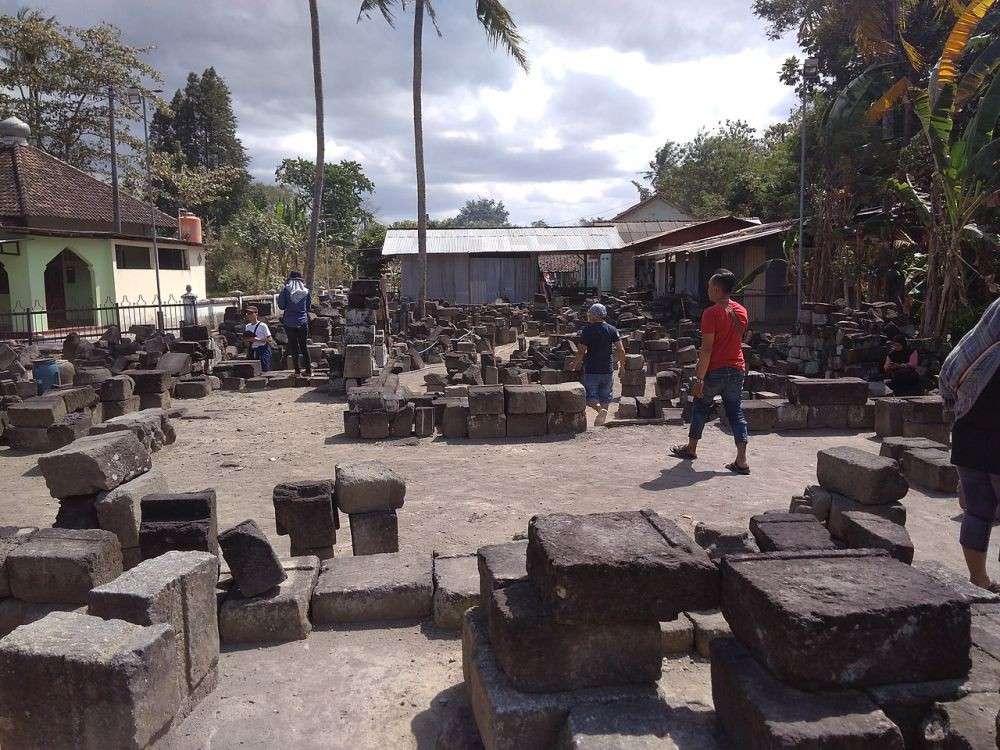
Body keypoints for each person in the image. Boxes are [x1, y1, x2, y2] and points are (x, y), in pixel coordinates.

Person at [939, 297, 1000, 592]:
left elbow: (948, 377)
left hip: (968, 433)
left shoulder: (976, 346)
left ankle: (978, 579)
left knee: (977, 511)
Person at [671, 269, 750, 474]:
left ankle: (691, 448)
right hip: (737, 368)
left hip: (715, 369)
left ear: (716, 289)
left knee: (700, 406)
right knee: (735, 412)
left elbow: (706, 349)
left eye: (709, 287)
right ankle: (741, 459)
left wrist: (699, 377)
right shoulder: (741, 311)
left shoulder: (711, 313)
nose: (707, 290)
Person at [568, 303, 626, 427]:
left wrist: (574, 364)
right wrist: (622, 366)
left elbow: (581, 351)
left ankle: (600, 411)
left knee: (590, 396)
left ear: (594, 315)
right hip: (608, 370)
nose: (588, 315)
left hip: (592, 370)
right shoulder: (612, 329)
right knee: (606, 397)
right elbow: (621, 350)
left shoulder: (588, 330)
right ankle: (602, 420)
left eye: (590, 313)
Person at [277, 270, 312, 377]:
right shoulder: (306, 291)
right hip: (302, 322)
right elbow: (308, 307)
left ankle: (297, 371)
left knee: (293, 346)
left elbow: (281, 306)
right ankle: (309, 370)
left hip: (289, 322)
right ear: (301, 281)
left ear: (290, 280)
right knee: (304, 346)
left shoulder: (285, 291)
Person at [243, 306, 274, 373]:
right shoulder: (247, 326)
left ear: (256, 314)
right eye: (247, 313)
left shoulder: (263, 325)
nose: (249, 315)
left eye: (251, 313)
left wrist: (256, 339)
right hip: (252, 350)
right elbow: (246, 341)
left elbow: (270, 339)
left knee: (265, 370)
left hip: (263, 350)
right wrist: (247, 340)